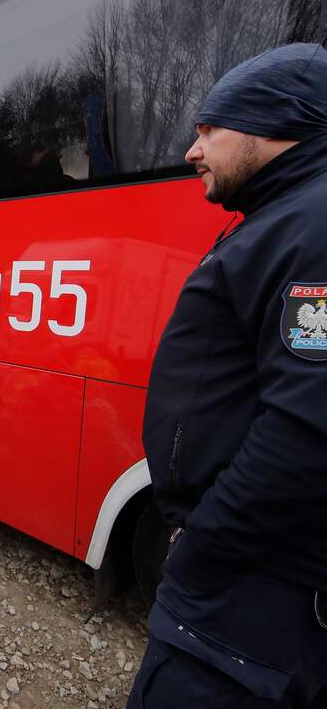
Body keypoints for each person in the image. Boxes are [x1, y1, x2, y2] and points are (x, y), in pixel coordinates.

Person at [127, 43, 327, 708]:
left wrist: (202, 542)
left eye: (209, 128)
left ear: (274, 123)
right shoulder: (287, 218)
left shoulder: (312, 226)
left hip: (243, 611)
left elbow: (305, 430)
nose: (191, 149)